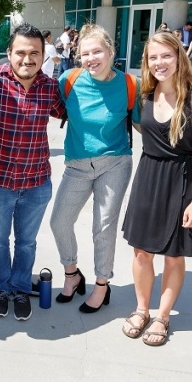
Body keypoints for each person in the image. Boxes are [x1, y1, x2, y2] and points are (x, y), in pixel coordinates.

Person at [120, 32, 192, 346]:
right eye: (153, 57)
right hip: (148, 177)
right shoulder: (145, 93)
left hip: (182, 181)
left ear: (179, 57)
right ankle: (141, 309)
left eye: (166, 56)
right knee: (141, 252)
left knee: (173, 256)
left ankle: (162, 316)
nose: (159, 63)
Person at [50, 24, 138, 314]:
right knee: (60, 221)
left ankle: (102, 283)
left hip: (115, 161)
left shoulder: (129, 84)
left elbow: (144, 123)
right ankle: (72, 273)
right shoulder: (69, 80)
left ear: (111, 52)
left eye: (97, 51)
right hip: (76, 164)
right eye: (85, 53)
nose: (91, 58)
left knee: (103, 226)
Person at [0, 23, 65, 321]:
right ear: (9, 53)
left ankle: (19, 288)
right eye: (20, 52)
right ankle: (1, 288)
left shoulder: (49, 87)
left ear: (45, 55)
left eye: (34, 53)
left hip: (36, 182)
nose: (27, 59)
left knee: (27, 242)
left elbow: (73, 111)